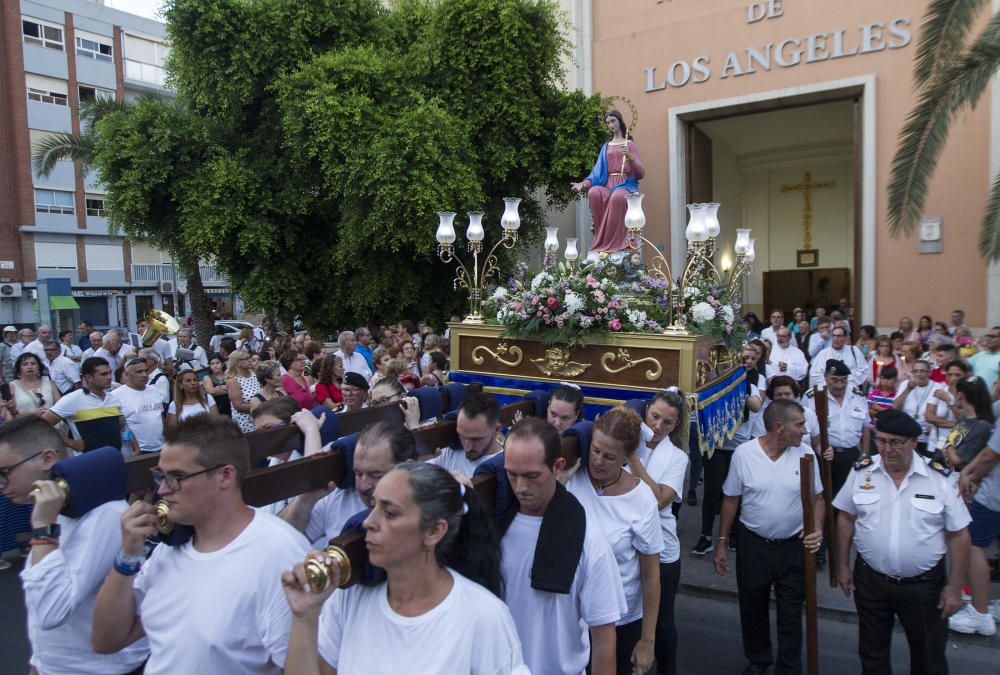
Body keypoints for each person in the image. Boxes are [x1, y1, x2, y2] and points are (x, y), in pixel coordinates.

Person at [91, 415, 311, 672]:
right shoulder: (169, 550)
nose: (161, 490)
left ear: (225, 476)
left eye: (176, 477)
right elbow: (106, 640)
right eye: (160, 476)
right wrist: (128, 554)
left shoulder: (279, 554)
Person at [282, 462, 526, 675]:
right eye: (373, 506)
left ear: (433, 531)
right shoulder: (349, 600)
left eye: (389, 513)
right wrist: (304, 616)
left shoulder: (483, 618)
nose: (368, 521)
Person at [0, 416, 149, 674]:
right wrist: (39, 661)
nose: (1, 485)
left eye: (4, 473)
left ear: (47, 459)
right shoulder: (53, 508)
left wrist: (44, 529)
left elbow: (51, 611)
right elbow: (41, 600)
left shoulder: (106, 516)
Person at [834, 410, 972, 668]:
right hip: (871, 581)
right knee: (872, 655)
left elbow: (959, 534)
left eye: (895, 442)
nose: (887, 449)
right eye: (882, 440)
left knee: (928, 657)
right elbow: (845, 517)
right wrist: (842, 566)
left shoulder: (939, 478)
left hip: (923, 587)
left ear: (912, 442)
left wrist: (954, 588)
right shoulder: (862, 472)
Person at [500, 417, 625, 675]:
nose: (521, 487)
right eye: (512, 475)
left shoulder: (588, 538)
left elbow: (603, 638)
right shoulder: (492, 527)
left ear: (557, 467)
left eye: (532, 476)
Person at [713, 399, 825, 675]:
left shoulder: (806, 454)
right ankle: (759, 657)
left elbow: (819, 498)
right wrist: (721, 543)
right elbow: (731, 499)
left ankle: (788, 668)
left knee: (790, 611)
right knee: (752, 605)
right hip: (753, 545)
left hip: (792, 547)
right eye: (799, 425)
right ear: (779, 427)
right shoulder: (744, 454)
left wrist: (817, 529)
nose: (805, 430)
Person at [562, 407, 662, 674]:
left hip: (621, 621)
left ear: (627, 458)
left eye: (609, 456)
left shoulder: (641, 500)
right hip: (570, 617)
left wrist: (647, 640)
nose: (598, 461)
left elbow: (651, 575)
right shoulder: (572, 478)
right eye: (595, 450)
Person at [281, 420, 417, 547]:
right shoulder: (337, 494)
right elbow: (285, 541)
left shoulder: (427, 510)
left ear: (407, 469)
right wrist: (305, 499)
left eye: (376, 475)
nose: (363, 486)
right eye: (358, 474)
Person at [634, 390, 690, 675]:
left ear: (676, 425)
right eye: (654, 417)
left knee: (662, 621)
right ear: (646, 411)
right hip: (626, 545)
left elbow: (659, 499)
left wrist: (632, 460)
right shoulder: (628, 441)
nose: (658, 427)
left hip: (662, 548)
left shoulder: (677, 457)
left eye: (667, 423)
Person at [693, 344, 763, 556]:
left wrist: (740, 388)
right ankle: (706, 536)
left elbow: (756, 406)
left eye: (752, 358)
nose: (748, 361)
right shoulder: (719, 380)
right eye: (744, 357)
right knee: (713, 490)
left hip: (739, 445)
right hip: (717, 442)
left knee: (736, 491)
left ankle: (733, 533)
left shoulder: (752, 383)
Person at [571, 109, 645, 254]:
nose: (611, 125)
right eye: (608, 123)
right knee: (594, 192)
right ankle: (601, 241)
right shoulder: (606, 147)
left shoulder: (630, 144)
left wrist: (630, 157)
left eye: (613, 121)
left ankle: (619, 244)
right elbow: (596, 172)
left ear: (620, 121)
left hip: (625, 184)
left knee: (617, 196)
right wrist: (583, 184)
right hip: (608, 184)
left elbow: (641, 173)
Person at [803, 360, 871, 499]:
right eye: (834, 380)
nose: (840, 385)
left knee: (850, 497)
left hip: (851, 455)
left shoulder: (858, 395)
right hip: (825, 455)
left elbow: (865, 427)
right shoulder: (813, 397)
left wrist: (864, 454)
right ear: (826, 377)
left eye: (843, 380)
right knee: (826, 498)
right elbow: (805, 429)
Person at [43, 357, 122, 453]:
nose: (109, 377)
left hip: (115, 458)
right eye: (104, 374)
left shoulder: (114, 399)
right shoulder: (72, 399)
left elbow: (121, 428)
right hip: (88, 461)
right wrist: (71, 443)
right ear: (88, 377)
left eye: (110, 372)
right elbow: (41, 425)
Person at [428, 392, 503, 477]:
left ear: (497, 429)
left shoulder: (507, 467)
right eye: (462, 436)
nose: (467, 447)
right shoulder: (450, 452)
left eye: (475, 439)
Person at [109, 357, 165, 455]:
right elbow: (118, 426)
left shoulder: (154, 390)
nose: (144, 375)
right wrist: (133, 448)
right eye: (139, 372)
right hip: (138, 451)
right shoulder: (115, 396)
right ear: (126, 375)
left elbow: (161, 417)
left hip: (162, 448)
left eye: (145, 371)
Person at [938, 376, 994, 470]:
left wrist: (947, 444)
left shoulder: (982, 426)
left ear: (959, 395)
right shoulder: (963, 418)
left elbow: (957, 460)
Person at [892, 359, 946, 458]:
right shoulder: (905, 384)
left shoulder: (938, 387)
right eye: (915, 371)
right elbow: (895, 408)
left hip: (927, 437)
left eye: (922, 371)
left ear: (929, 373)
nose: (919, 374)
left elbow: (941, 413)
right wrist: (908, 389)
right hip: (906, 434)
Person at [809, 325, 868, 389]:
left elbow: (863, 370)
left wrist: (845, 382)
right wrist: (830, 384)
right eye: (833, 336)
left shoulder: (854, 351)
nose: (835, 339)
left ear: (845, 338)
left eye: (839, 336)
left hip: (850, 389)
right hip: (829, 390)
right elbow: (815, 373)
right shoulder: (823, 354)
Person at [10, 352, 61, 417]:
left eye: (33, 363)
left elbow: (60, 407)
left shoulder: (50, 383)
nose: (30, 367)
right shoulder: (12, 386)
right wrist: (32, 414)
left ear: (39, 367)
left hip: (50, 424)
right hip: (26, 425)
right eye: (25, 364)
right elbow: (11, 413)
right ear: (19, 368)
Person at [226, 351, 259, 433]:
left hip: (261, 417)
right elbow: (238, 405)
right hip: (246, 422)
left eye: (249, 357)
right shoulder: (233, 381)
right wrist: (261, 408)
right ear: (237, 363)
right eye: (246, 358)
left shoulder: (255, 374)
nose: (250, 360)